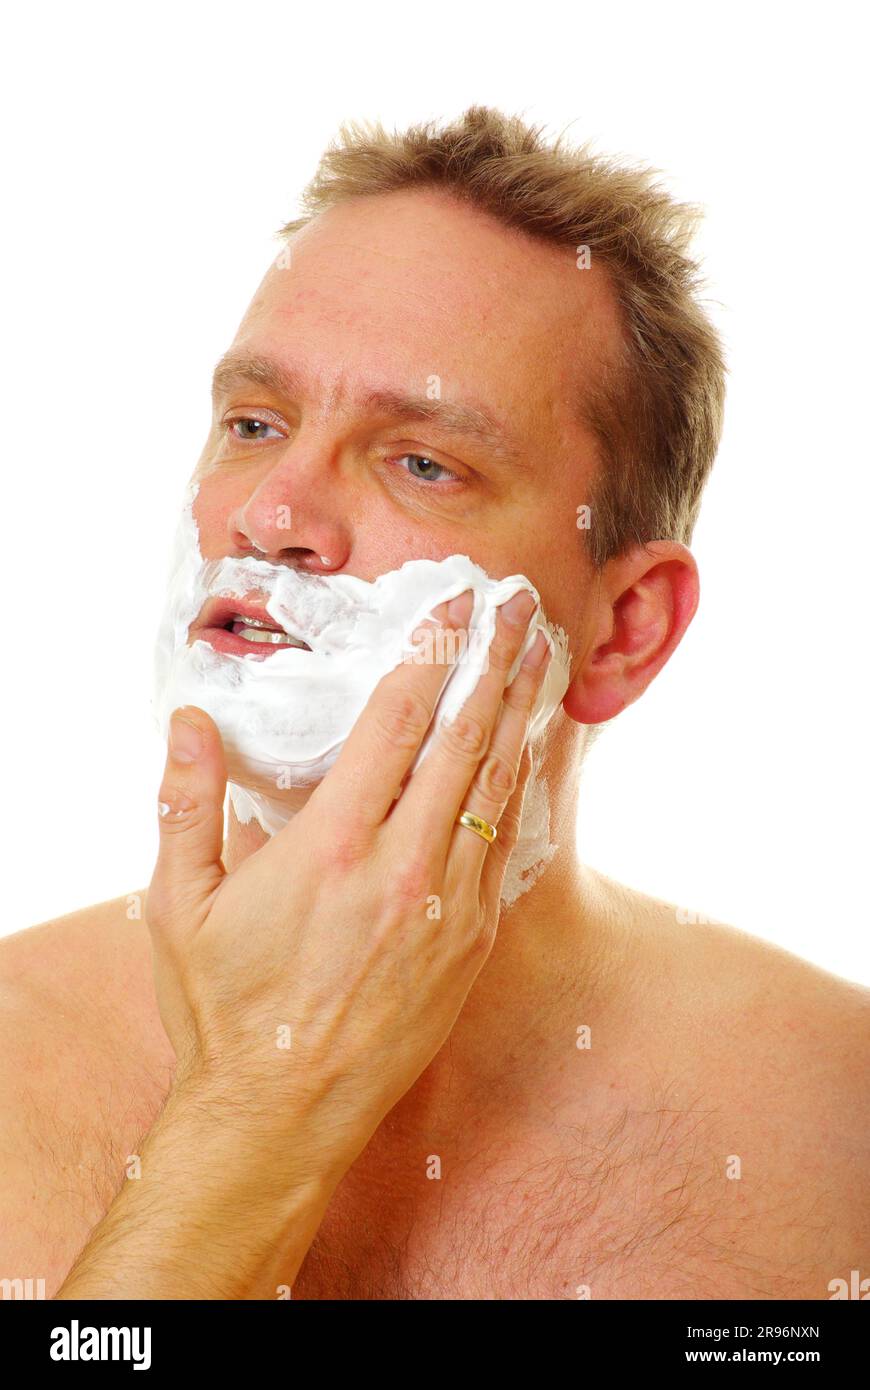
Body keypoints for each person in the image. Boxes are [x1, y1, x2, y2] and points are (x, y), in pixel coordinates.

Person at [2, 106, 867, 1302]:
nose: (271, 515)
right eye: (255, 424)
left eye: (422, 460)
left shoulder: (838, 1132)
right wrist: (256, 1106)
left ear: (622, 631)